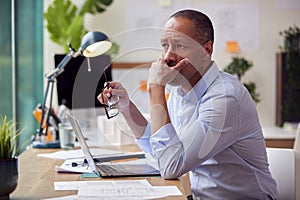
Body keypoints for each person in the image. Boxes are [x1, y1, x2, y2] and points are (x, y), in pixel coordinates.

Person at [98, 9, 278, 200]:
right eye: (164, 45)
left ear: (206, 50)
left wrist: (155, 88)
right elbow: (163, 150)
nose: (168, 56)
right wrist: (126, 108)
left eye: (180, 45)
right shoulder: (179, 91)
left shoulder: (224, 98)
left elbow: (170, 166)